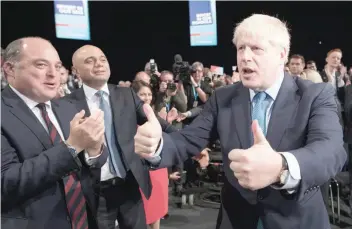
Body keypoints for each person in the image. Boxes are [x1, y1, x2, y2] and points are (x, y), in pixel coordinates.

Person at [133, 14, 347, 229]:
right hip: (237, 221)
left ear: (282, 55)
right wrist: (157, 145)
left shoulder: (315, 95)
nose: (244, 57)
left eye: (256, 49)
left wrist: (281, 167)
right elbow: (188, 140)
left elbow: (331, 150)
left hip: (297, 220)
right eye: (240, 48)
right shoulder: (223, 98)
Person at [64, 45, 176, 229]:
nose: (99, 64)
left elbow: (156, 121)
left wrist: (185, 141)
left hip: (129, 185)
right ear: (75, 71)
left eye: (102, 59)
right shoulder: (65, 104)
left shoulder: (126, 95)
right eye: (90, 61)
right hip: (94, 191)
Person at [1, 37, 108, 229]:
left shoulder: (68, 107)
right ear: (9, 69)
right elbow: (5, 184)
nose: (53, 74)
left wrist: (94, 150)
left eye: (58, 66)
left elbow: (93, 163)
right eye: (41, 65)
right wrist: (72, 147)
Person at [131, 80, 168, 229]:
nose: (146, 97)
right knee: (143, 212)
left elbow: (170, 131)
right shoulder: (127, 117)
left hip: (158, 169)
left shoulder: (154, 116)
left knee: (157, 209)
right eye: (142, 94)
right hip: (139, 170)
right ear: (134, 96)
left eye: (149, 94)